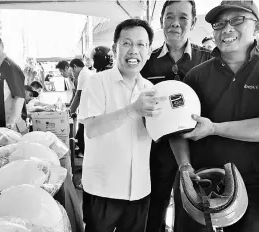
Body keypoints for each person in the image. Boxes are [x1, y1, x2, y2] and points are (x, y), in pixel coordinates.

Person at [170, 1, 259, 231]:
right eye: (219, 23)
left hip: (254, 187)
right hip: (202, 184)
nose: (227, 29)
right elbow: (176, 129)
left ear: (256, 26)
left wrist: (214, 128)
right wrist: (185, 166)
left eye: (237, 20)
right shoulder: (196, 76)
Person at [78, 18, 163, 232]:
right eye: (126, 43)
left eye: (141, 44)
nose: (133, 51)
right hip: (103, 188)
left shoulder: (151, 88)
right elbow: (92, 129)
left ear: (149, 49)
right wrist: (132, 110)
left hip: (140, 189)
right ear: (115, 48)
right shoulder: (97, 83)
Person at [140, 1, 212, 231]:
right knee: (153, 211)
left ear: (193, 22)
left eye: (183, 17)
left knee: (192, 213)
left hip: (197, 151)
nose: (175, 23)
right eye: (169, 16)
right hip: (156, 153)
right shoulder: (146, 62)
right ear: (161, 20)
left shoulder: (208, 60)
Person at [69, 58, 93, 159]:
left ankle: (84, 153)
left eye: (72, 70)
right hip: (89, 107)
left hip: (90, 108)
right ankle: (82, 151)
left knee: (82, 132)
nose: (72, 73)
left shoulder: (83, 74)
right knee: (80, 132)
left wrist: (70, 111)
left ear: (75, 66)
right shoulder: (86, 72)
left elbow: (78, 95)